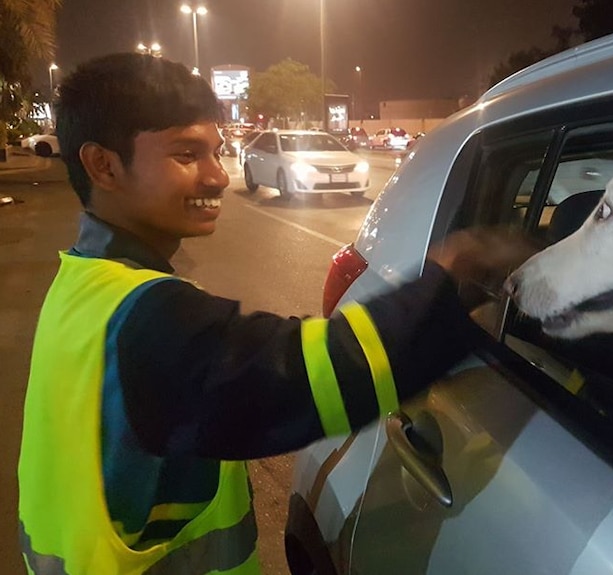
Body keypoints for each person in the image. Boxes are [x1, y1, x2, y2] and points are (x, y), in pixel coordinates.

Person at [17, 53, 533, 575]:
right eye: (186, 154)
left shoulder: (82, 283)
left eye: (216, 152)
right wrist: (445, 280)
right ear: (103, 165)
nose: (218, 177)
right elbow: (310, 377)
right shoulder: (145, 316)